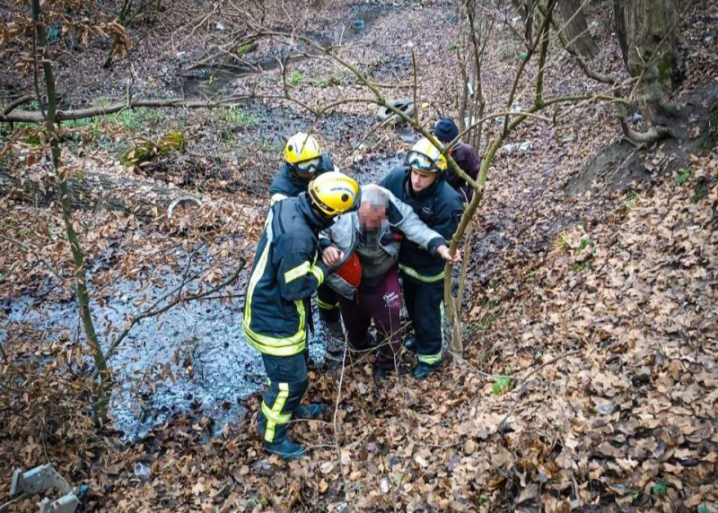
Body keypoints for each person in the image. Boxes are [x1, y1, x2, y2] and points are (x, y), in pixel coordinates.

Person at [244, 171, 360, 461]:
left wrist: (322, 245)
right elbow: (296, 287)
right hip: (273, 318)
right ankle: (273, 436)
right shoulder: (296, 240)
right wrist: (324, 267)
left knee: (295, 375)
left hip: (270, 304)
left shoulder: (293, 204)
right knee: (289, 382)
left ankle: (292, 408)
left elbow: (311, 229)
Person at [319, 185, 460, 381]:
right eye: (365, 218)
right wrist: (326, 247)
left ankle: (387, 364)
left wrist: (440, 248)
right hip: (349, 277)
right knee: (352, 321)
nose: (369, 224)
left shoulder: (397, 210)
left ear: (385, 212)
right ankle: (359, 346)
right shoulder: (341, 211)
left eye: (376, 219)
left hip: (382, 273)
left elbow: (417, 229)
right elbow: (319, 229)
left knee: (389, 320)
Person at [380, 138, 463, 379]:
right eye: (415, 173)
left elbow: (443, 238)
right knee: (412, 305)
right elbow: (377, 197)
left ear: (437, 175)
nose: (417, 180)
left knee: (428, 312)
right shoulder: (396, 178)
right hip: (403, 261)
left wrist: (406, 235)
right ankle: (418, 338)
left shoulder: (448, 201)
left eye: (424, 175)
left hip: (428, 268)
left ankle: (431, 357)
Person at [269, 132, 342, 326]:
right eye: (304, 167)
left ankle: (330, 319)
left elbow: (339, 188)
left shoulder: (325, 166)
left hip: (326, 227)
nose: (311, 171)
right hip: (302, 242)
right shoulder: (281, 190)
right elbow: (292, 230)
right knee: (305, 280)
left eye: (314, 163)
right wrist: (323, 245)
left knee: (329, 279)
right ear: (291, 166)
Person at [433, 118, 481, 203]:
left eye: (449, 143)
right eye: (442, 142)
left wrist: (469, 197)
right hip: (432, 191)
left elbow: (477, 177)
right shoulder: (427, 149)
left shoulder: (466, 152)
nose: (445, 146)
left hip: (456, 191)